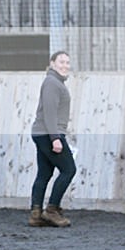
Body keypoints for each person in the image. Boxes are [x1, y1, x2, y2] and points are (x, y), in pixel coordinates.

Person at [29, 50, 77, 227]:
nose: (65, 66)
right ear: (52, 63)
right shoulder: (52, 83)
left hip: (43, 133)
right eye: (61, 62)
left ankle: (36, 214)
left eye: (67, 62)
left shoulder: (55, 82)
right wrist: (55, 138)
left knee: (44, 173)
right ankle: (52, 210)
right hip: (49, 133)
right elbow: (49, 113)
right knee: (69, 170)